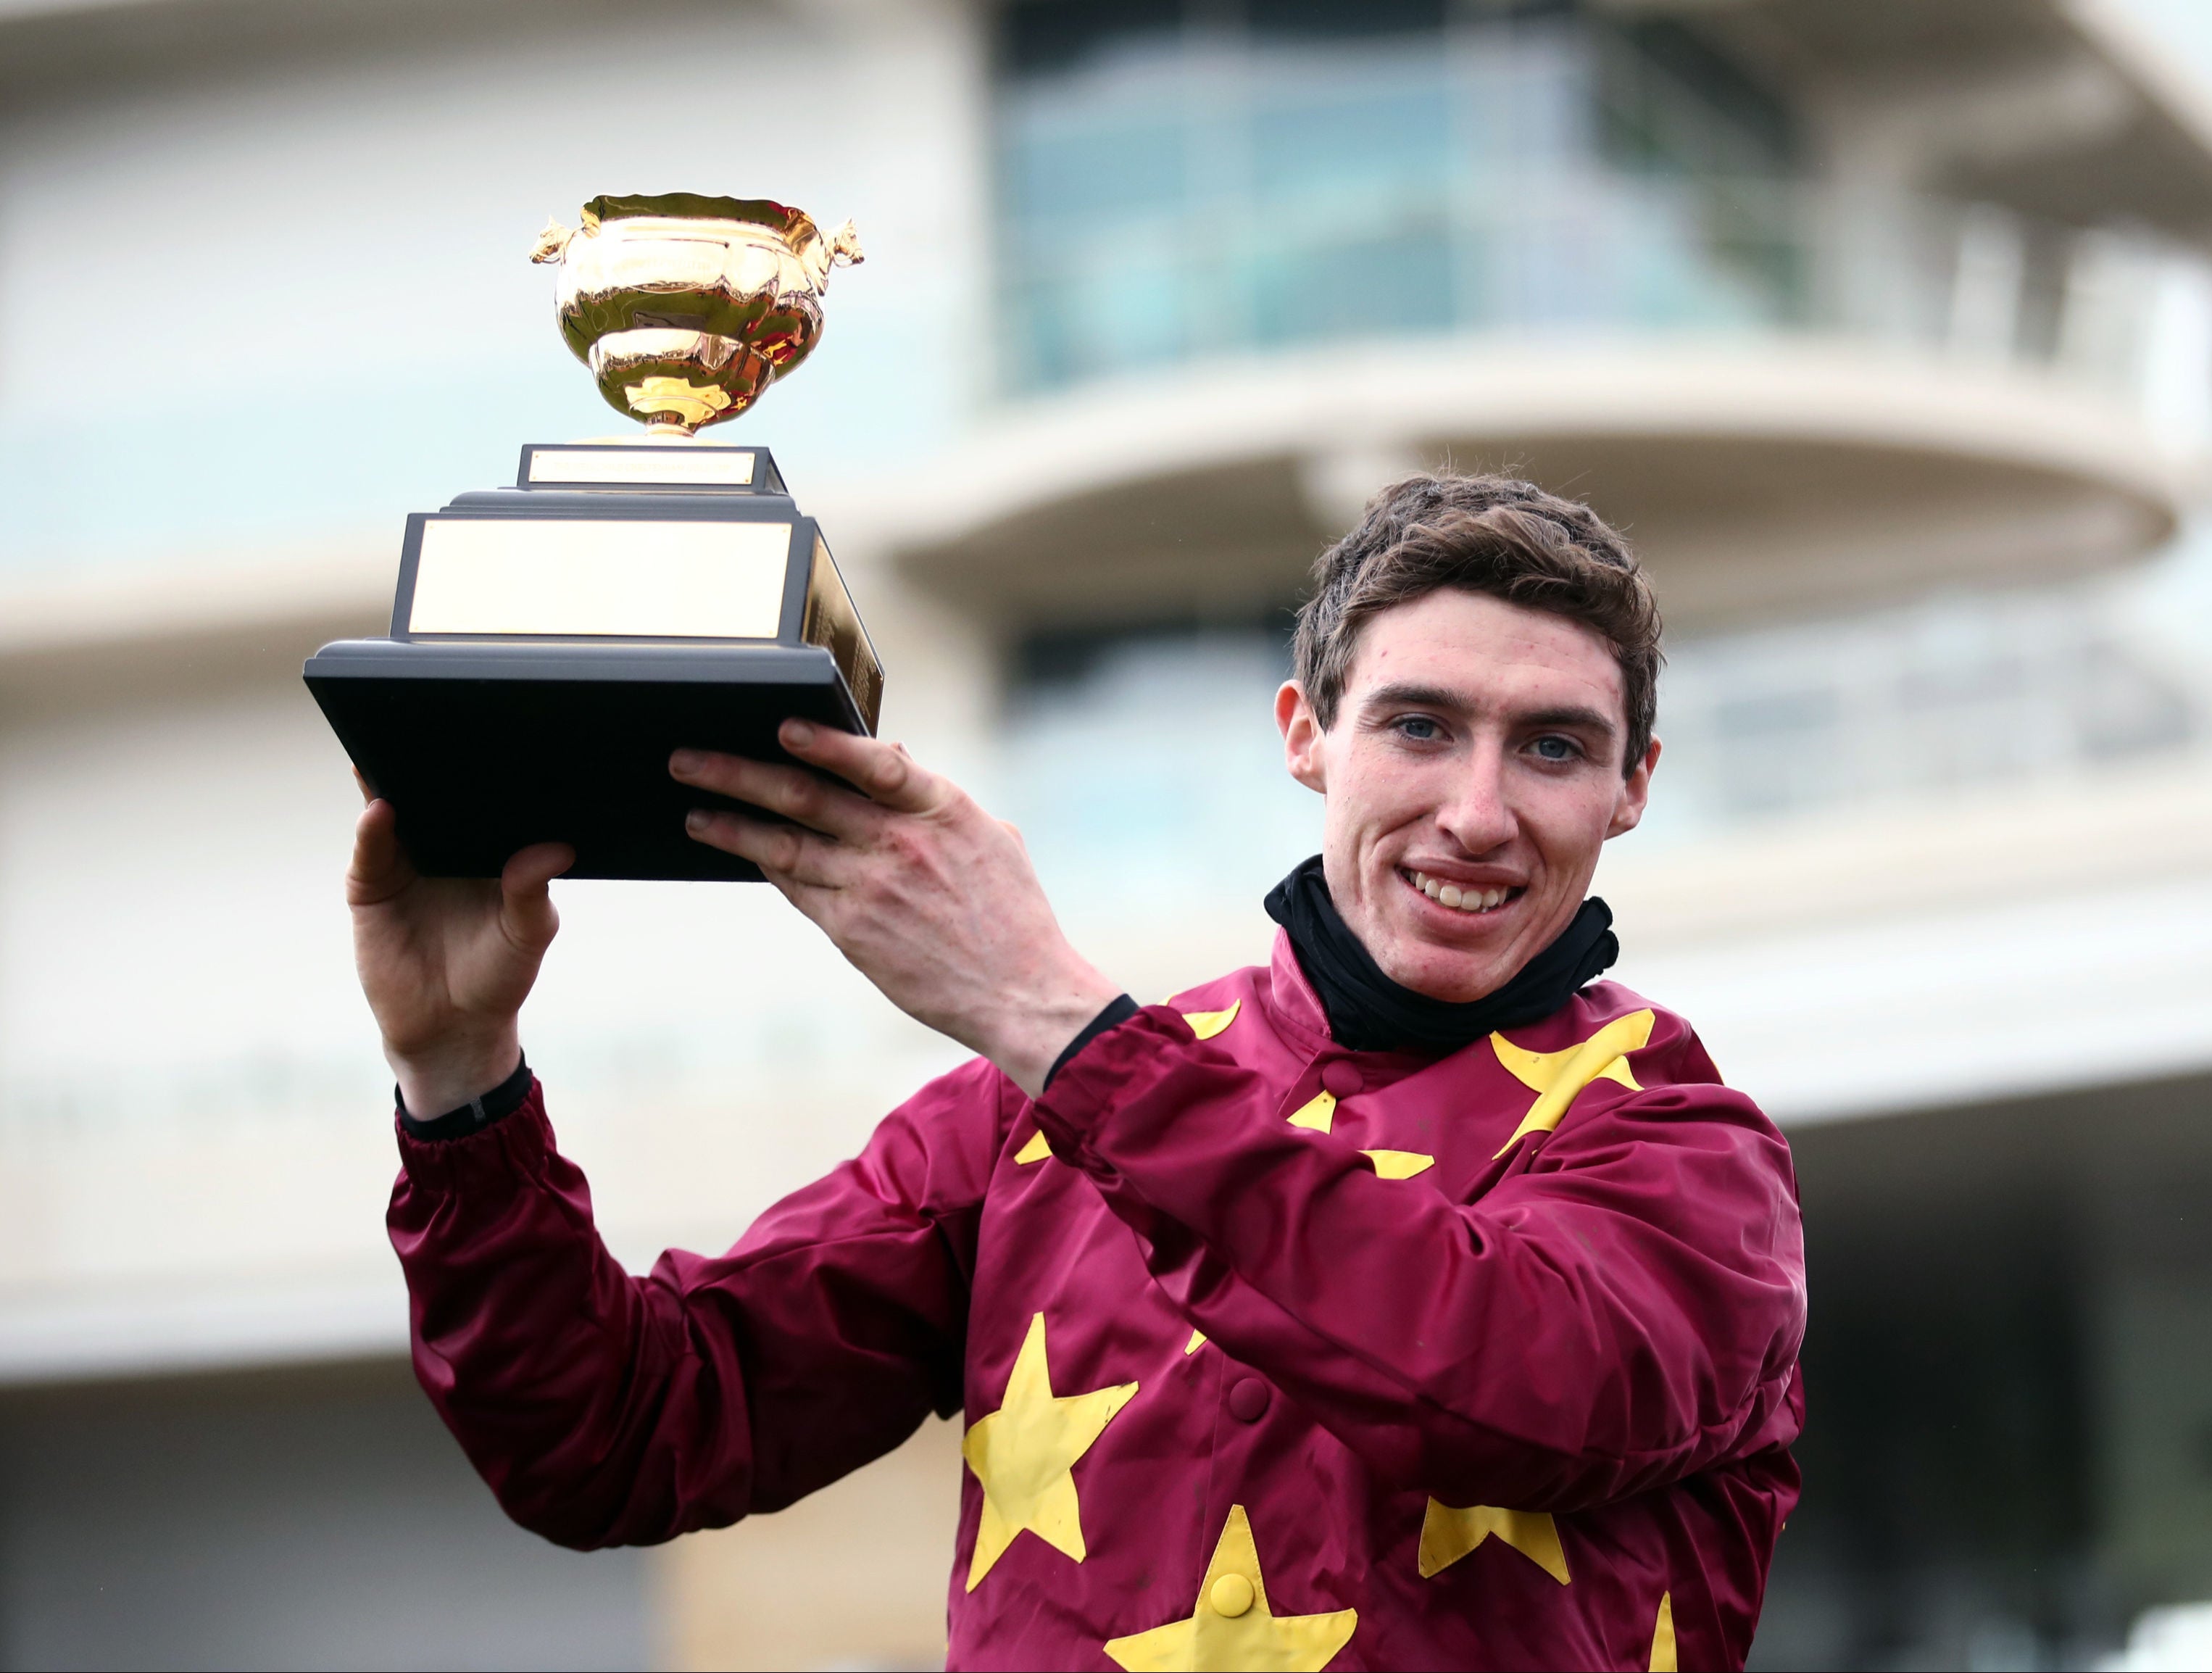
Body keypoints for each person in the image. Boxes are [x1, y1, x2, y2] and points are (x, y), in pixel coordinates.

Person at [350, 473, 1805, 1672]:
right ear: (1307, 738)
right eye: (1418, 726)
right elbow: (619, 1433)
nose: (1475, 812)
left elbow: (1498, 1384)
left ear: (1630, 788)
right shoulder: (1021, 1113)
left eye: (1550, 747)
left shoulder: (1690, 1153)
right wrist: (460, 1079)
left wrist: (1053, 1022)